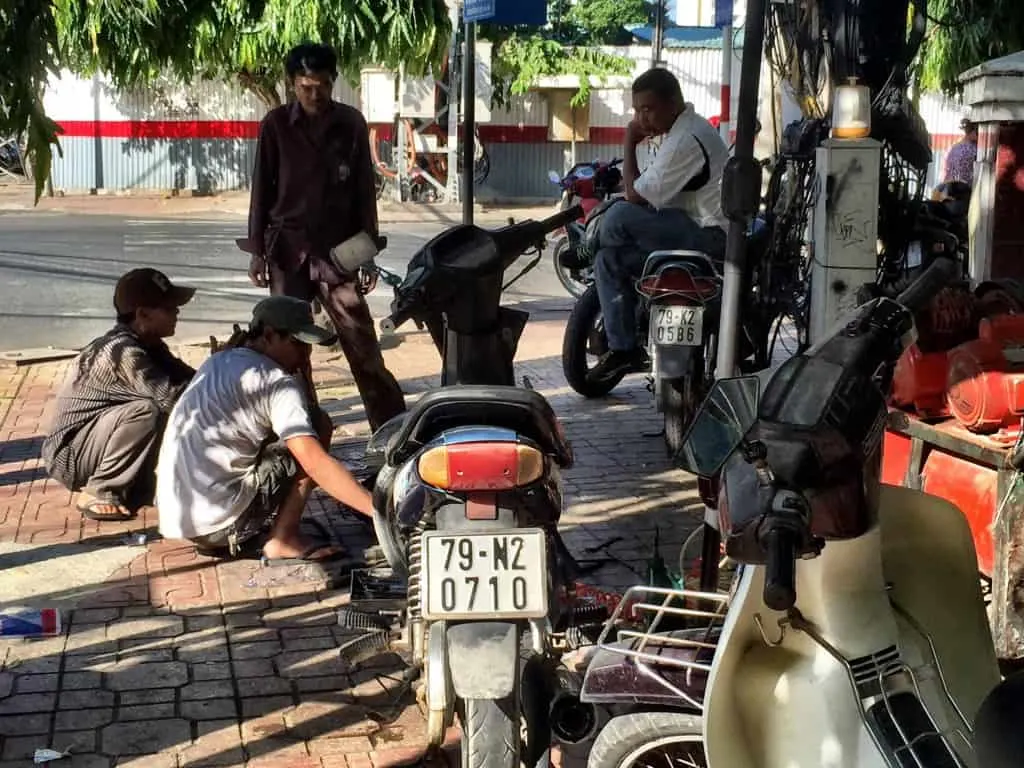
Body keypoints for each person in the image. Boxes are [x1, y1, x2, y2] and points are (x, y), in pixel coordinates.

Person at [246, 41, 406, 432]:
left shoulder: (351, 123)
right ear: (292, 84)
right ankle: (304, 433)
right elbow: (260, 192)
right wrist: (256, 253)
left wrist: (367, 253)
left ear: (333, 81)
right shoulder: (276, 125)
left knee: (362, 344)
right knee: (289, 351)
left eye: (321, 85)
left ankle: (392, 432)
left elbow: (364, 194)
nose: (313, 93)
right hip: (287, 251)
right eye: (304, 86)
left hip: (339, 253)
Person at [156, 296, 374, 563]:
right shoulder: (276, 382)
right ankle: (284, 539)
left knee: (292, 430)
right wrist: (378, 511)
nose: (304, 356)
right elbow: (315, 462)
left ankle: (255, 524)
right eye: (297, 344)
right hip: (221, 526)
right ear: (269, 335)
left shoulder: (218, 361)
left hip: (180, 519)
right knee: (318, 424)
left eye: (308, 348)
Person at [589, 67, 730, 383]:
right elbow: (644, 190)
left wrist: (629, 140)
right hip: (684, 226)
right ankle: (624, 348)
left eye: (648, 109)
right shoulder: (677, 133)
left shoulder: (686, 137)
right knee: (608, 260)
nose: (642, 119)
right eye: (638, 111)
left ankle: (589, 248)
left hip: (709, 237)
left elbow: (635, 195)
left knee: (617, 216)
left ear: (674, 102)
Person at [42, 268, 197, 521]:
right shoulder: (124, 353)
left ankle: (136, 483)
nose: (177, 313)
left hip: (94, 440)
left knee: (158, 410)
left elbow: (192, 381)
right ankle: (99, 490)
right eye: (169, 308)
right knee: (147, 410)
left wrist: (223, 366)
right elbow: (175, 399)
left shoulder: (149, 343)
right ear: (142, 314)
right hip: (69, 457)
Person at [943, 118, 978, 187]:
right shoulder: (974, 149)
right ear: (974, 131)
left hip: (950, 189)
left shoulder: (953, 148)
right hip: (964, 191)